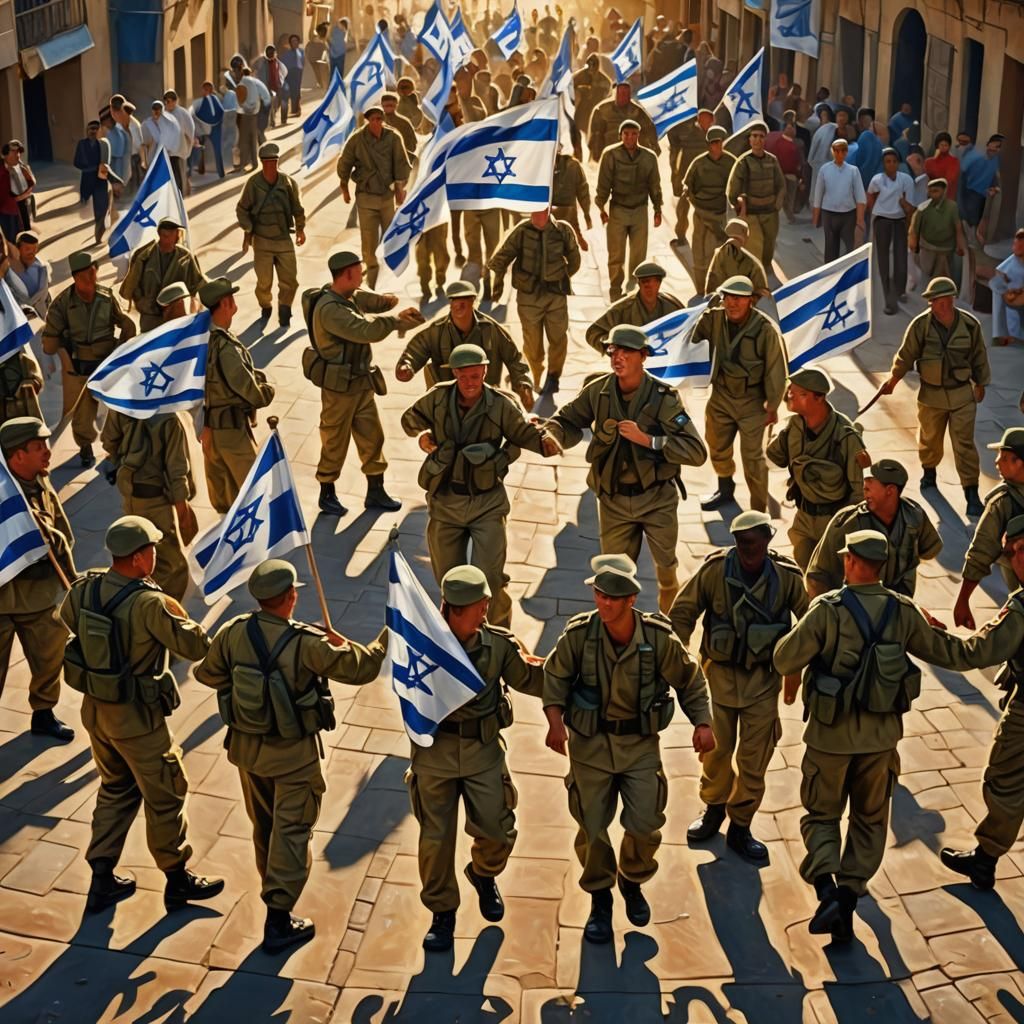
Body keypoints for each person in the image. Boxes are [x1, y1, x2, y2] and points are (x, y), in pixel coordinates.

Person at [773, 529, 969, 943]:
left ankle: (827, 892)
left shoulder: (828, 609)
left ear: (849, 561)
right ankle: (846, 899)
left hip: (830, 738)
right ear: (881, 566)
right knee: (870, 820)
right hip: (881, 739)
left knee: (821, 815)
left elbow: (784, 657)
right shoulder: (902, 610)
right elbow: (952, 654)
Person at [196, 558, 387, 952]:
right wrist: (384, 636)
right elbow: (362, 669)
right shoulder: (306, 643)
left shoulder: (234, 631)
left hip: (247, 751)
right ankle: (279, 918)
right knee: (293, 831)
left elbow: (206, 674)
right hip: (294, 757)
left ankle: (272, 888)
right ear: (291, 597)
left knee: (265, 828)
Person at [543, 554, 714, 943]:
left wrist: (703, 722)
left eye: (612, 598)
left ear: (631, 601)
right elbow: (554, 680)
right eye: (599, 595)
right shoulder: (579, 635)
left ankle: (632, 879)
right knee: (593, 828)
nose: (603, 603)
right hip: (589, 746)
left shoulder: (656, 638)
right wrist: (556, 723)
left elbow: (690, 681)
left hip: (638, 745)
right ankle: (599, 899)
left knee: (645, 822)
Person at [61, 515, 223, 913]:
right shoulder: (151, 602)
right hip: (136, 718)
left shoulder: (87, 587)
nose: (155, 554)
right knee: (167, 792)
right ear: (136, 558)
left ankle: (102, 877)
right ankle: (177, 878)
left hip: (96, 711)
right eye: (151, 548)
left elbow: (66, 619)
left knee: (116, 787)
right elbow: (196, 646)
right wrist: (173, 609)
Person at [404, 564, 543, 951]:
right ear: (453, 609)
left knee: (498, 832)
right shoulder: (419, 644)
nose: (486, 612)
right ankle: (442, 913)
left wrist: (575, 668)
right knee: (435, 841)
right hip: (435, 755)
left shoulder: (497, 645)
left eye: (486, 604)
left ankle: (483, 873)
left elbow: (531, 679)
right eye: (480, 606)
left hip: (483, 752)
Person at [671, 511, 808, 861]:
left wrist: (800, 672)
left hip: (763, 682)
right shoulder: (715, 571)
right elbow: (683, 613)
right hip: (718, 678)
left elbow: (810, 625)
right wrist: (674, 665)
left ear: (767, 540)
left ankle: (741, 825)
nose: (750, 549)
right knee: (715, 752)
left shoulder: (786, 577)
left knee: (754, 759)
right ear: (735, 543)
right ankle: (714, 807)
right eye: (743, 543)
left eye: (757, 542)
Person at [543, 326, 708, 612]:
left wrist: (650, 440)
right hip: (614, 500)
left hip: (656, 499)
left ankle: (666, 631)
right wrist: (552, 437)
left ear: (643, 356)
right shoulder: (598, 391)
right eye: (613, 350)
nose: (617, 357)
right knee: (613, 578)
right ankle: (621, 634)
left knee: (667, 572)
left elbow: (696, 451)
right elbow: (566, 420)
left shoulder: (663, 398)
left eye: (626, 351)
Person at [401, 345, 558, 626]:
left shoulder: (500, 404)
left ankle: (500, 638)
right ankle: (454, 639)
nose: (470, 383)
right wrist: (423, 435)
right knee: (449, 582)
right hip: (445, 502)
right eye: (464, 377)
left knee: (491, 579)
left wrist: (550, 440)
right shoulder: (438, 397)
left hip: (487, 502)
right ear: (455, 374)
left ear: (485, 371)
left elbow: (525, 434)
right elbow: (409, 419)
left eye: (476, 376)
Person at [939, 516, 1024, 890]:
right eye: (1011, 553)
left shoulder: (1020, 609)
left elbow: (974, 653)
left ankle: (985, 860)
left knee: (1004, 780)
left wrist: (923, 634)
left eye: (1022, 550)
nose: (1016, 559)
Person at [304, 251, 422, 517]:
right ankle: (327, 492)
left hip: (360, 384)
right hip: (339, 389)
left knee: (372, 437)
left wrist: (391, 300)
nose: (362, 277)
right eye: (359, 272)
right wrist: (395, 321)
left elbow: (372, 301)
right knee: (334, 440)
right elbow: (365, 330)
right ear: (347, 274)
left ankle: (375, 491)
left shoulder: (347, 295)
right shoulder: (330, 309)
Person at [880, 276, 989, 516]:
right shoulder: (920, 326)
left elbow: (979, 356)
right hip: (931, 394)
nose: (944, 304)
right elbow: (906, 355)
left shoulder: (970, 325)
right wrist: (893, 380)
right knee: (930, 438)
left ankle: (971, 493)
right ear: (930, 302)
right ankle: (929, 473)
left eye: (948, 298)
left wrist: (981, 383)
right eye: (938, 300)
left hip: (961, 394)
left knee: (964, 444)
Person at [0, 418, 76, 741]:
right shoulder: (6, 496)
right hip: (2, 601)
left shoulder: (40, 482)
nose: (47, 452)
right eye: (39, 447)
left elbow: (63, 531)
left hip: (39, 595)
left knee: (50, 655)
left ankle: (43, 714)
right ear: (17, 456)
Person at [690, 276, 787, 513]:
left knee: (753, 459)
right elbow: (689, 337)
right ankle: (725, 488)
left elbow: (776, 369)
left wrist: (772, 406)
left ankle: (758, 511)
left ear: (751, 301)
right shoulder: (713, 319)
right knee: (716, 445)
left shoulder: (765, 330)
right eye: (728, 298)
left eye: (739, 299)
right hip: (721, 395)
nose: (732, 304)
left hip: (752, 402)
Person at [767, 367, 870, 569]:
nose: (791, 396)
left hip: (833, 520)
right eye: (791, 391)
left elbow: (857, 492)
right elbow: (776, 457)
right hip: (804, 517)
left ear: (819, 398)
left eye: (801, 394)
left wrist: (847, 528)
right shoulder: (793, 427)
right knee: (806, 568)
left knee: (832, 575)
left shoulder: (845, 435)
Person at [41, 250, 136, 467]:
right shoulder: (63, 303)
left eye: (93, 273)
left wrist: (123, 352)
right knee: (83, 411)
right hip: (80, 365)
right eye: (84, 276)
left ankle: (118, 444)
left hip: (108, 361)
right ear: (75, 277)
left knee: (118, 406)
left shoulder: (106, 296)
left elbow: (125, 322)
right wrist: (59, 357)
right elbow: (51, 337)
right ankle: (85, 445)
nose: (90, 279)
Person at [100, 403, 198, 602]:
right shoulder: (168, 417)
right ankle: (164, 612)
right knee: (172, 565)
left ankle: (143, 604)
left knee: (140, 554)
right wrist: (182, 510)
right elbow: (176, 469)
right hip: (155, 500)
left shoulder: (120, 405)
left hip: (130, 494)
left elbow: (109, 441)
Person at [807, 459, 943, 598]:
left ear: (890, 490)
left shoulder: (914, 515)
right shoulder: (847, 522)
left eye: (870, 486)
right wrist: (828, 611)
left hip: (898, 603)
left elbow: (930, 549)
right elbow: (817, 574)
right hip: (853, 606)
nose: (864, 490)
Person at [199, 278, 275, 513]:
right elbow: (250, 391)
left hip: (211, 430)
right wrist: (267, 389)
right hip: (232, 434)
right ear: (225, 303)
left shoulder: (203, 341)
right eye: (231, 297)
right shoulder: (226, 347)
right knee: (255, 493)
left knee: (226, 501)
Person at [397, 281, 533, 407]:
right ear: (450, 303)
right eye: (454, 300)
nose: (458, 304)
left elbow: (514, 359)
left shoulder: (491, 329)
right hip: (446, 401)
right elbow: (416, 349)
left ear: (472, 301)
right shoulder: (436, 331)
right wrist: (407, 365)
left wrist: (523, 385)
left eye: (464, 300)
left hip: (486, 401)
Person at [488, 208, 580, 395]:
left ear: (548, 208)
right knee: (532, 343)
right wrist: (498, 283)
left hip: (555, 296)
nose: (536, 214)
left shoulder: (563, 230)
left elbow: (574, 258)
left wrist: (561, 277)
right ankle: (535, 376)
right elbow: (501, 258)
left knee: (558, 337)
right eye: (533, 209)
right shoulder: (521, 231)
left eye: (541, 209)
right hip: (529, 297)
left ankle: (553, 376)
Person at [953, 428, 1024, 627]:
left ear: (1019, 462)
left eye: (1003, 457)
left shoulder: (1002, 502)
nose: (996, 462)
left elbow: (981, 551)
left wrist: (962, 600)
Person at [335, 105, 411, 289]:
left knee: (389, 240)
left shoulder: (393, 137)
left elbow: (401, 164)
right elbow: (344, 162)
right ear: (368, 120)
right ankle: (372, 280)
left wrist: (400, 188)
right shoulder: (357, 139)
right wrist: (344, 186)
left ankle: (388, 279)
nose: (377, 122)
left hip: (386, 197)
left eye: (379, 119)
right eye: (373, 119)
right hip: (366, 197)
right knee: (369, 242)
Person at [236, 142, 305, 327]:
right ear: (261, 163)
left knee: (290, 280)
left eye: (274, 161)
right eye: (267, 162)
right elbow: (242, 210)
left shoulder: (287, 182)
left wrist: (300, 229)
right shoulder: (253, 184)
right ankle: (265, 305)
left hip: (283, 239)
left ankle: (285, 309)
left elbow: (297, 208)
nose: (271, 165)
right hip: (262, 240)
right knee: (264, 282)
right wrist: (248, 229)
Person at [595, 120, 662, 302]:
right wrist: (601, 207)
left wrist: (658, 209)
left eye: (633, 134)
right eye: (626, 134)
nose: (630, 138)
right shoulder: (610, 155)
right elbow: (603, 184)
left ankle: (633, 289)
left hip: (640, 209)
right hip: (618, 209)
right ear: (620, 135)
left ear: (638, 135)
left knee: (638, 254)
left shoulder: (649, 157)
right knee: (616, 254)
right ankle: (615, 290)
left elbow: (654, 185)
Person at [119, 217, 204, 332]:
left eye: (176, 234)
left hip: (177, 315)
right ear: (161, 236)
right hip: (151, 316)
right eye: (169, 235)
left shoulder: (185, 257)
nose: (176, 238)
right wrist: (142, 302)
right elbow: (133, 284)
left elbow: (198, 284)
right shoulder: (144, 256)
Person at [682, 125, 736, 294]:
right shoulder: (699, 163)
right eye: (713, 143)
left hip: (722, 216)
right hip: (701, 213)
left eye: (719, 142)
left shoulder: (731, 162)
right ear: (708, 144)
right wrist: (689, 196)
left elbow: (738, 183)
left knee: (723, 254)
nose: (717, 146)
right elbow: (687, 185)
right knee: (699, 253)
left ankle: (720, 288)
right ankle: (700, 290)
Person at [585, 262, 685, 353]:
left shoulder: (672, 306)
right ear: (639, 284)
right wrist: (613, 346)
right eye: (644, 283)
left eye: (652, 284)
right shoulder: (622, 309)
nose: (648, 288)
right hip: (632, 364)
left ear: (659, 284)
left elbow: (688, 329)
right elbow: (593, 333)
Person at [726, 122, 785, 272]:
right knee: (754, 249)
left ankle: (766, 268)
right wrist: (740, 208)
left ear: (765, 139)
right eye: (755, 136)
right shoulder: (743, 162)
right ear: (750, 139)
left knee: (770, 244)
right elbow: (732, 190)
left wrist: (777, 205)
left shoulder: (772, 160)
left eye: (761, 136)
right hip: (752, 214)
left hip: (770, 212)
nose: (758, 140)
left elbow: (781, 185)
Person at [867, 148, 916, 314]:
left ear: (898, 163)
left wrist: (904, 205)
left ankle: (900, 290)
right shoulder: (877, 180)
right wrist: (874, 214)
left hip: (900, 221)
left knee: (901, 259)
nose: (891, 164)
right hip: (882, 221)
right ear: (883, 164)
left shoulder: (906, 180)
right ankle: (889, 300)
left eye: (894, 161)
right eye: (888, 162)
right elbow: (871, 197)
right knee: (884, 260)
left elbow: (911, 207)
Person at [811, 138, 866, 262]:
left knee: (849, 247)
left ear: (846, 152)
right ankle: (830, 276)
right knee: (830, 247)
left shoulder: (853, 171)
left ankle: (848, 275)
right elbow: (818, 194)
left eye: (842, 151)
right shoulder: (825, 169)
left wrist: (860, 220)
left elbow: (860, 196)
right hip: (829, 214)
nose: (839, 154)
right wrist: (816, 217)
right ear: (832, 151)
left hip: (848, 215)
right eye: (836, 151)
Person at [668, 109, 715, 246]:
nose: (705, 121)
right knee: (683, 208)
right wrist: (677, 178)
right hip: (687, 178)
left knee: (706, 211)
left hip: (706, 180)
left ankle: (707, 237)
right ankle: (681, 236)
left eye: (708, 119)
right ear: (699, 119)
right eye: (703, 118)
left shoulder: (714, 137)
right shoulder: (688, 133)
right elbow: (677, 150)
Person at [909, 178, 966, 282]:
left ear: (943, 191)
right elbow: (914, 230)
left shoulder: (952, 207)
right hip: (928, 247)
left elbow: (958, 227)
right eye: (930, 191)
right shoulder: (922, 208)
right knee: (927, 274)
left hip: (946, 247)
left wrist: (960, 244)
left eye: (936, 191)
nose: (932, 194)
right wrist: (913, 244)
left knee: (945, 277)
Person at [587, 83, 658, 162]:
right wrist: (597, 154)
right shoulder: (602, 110)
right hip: (610, 155)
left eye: (626, 93)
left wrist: (653, 148)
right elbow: (596, 135)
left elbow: (650, 130)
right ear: (614, 92)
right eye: (620, 92)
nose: (623, 95)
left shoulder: (637, 111)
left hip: (634, 157)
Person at [705, 218, 769, 298]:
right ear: (745, 238)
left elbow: (711, 287)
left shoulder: (718, 255)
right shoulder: (753, 262)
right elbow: (762, 293)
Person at [72, 121, 114, 245]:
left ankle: (98, 235)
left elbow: (107, 162)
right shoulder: (82, 144)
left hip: (100, 181)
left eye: (96, 129)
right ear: (87, 130)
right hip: (87, 181)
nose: (93, 131)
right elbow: (76, 162)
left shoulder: (103, 145)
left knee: (101, 209)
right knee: (88, 210)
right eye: (91, 129)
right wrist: (89, 168)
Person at [959, 133, 1002, 239]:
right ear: (988, 145)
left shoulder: (995, 160)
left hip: (982, 195)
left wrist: (995, 187)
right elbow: (962, 177)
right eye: (994, 146)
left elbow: (994, 176)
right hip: (970, 193)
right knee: (970, 222)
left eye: (998, 147)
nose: (995, 149)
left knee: (977, 221)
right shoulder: (975, 158)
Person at [551, 147, 592, 251]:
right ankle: (578, 237)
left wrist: (587, 215)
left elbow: (583, 191)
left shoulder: (572, 165)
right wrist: (587, 215)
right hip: (566, 211)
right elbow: (583, 191)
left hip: (555, 210)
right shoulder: (573, 164)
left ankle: (577, 237)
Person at [991, 227, 1024, 346]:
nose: (1017, 247)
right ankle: (1001, 334)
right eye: (1016, 244)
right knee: (998, 293)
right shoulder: (1011, 262)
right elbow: (999, 273)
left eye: (1021, 245)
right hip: (1013, 296)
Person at [162, 91, 195, 196]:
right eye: (165, 102)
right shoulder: (164, 113)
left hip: (179, 149)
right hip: (168, 150)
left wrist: (188, 144)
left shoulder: (182, 113)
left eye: (168, 101)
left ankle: (179, 195)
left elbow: (190, 130)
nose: (166, 104)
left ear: (174, 101)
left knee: (178, 173)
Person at [192, 81, 226, 179]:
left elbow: (199, 113)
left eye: (203, 89)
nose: (202, 91)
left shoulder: (208, 99)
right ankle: (220, 173)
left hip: (210, 128)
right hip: (214, 128)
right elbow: (221, 111)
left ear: (206, 90)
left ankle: (202, 168)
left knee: (202, 146)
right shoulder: (216, 98)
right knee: (215, 150)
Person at [573, 55, 611, 139]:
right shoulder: (579, 76)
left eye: (593, 65)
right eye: (589, 65)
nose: (591, 69)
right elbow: (570, 89)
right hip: (581, 110)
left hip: (596, 110)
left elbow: (607, 96)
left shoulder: (605, 80)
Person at [252, 45, 288, 131]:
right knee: (269, 104)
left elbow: (284, 71)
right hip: (265, 86)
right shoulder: (261, 61)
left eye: (272, 52)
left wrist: (280, 81)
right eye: (269, 52)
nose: (271, 54)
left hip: (276, 86)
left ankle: (272, 118)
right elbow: (253, 67)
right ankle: (271, 122)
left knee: (276, 104)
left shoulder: (277, 62)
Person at [380, 91, 417, 160]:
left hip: (401, 159)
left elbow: (413, 144)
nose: (388, 108)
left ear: (396, 104)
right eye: (386, 105)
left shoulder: (405, 122)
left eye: (391, 105)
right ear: (382, 105)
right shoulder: (376, 121)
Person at [924, 132, 960, 199]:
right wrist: (935, 159)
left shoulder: (954, 161)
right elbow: (926, 177)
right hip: (931, 195)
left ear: (949, 146)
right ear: (937, 145)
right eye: (941, 145)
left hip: (947, 195)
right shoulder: (929, 161)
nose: (943, 147)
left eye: (946, 145)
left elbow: (950, 180)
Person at [280, 35, 304, 120]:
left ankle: (296, 109)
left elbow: (303, 62)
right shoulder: (286, 54)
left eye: (296, 41)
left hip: (298, 74)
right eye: (293, 41)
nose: (295, 43)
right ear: (290, 43)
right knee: (286, 95)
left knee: (297, 93)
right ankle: (284, 116)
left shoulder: (301, 52)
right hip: (288, 75)